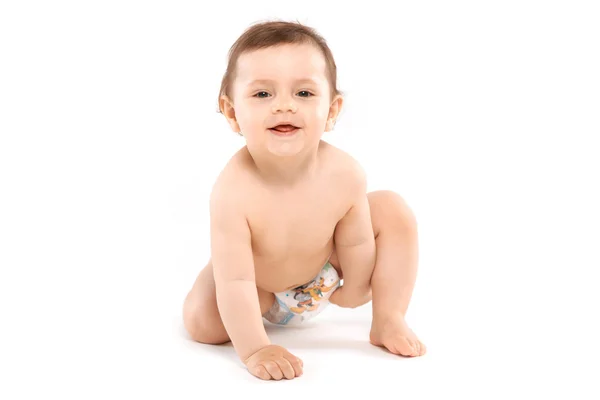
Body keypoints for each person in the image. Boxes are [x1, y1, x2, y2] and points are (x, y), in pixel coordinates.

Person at [183, 19, 426, 381]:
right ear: (232, 112)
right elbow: (235, 281)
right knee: (201, 323)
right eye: (263, 94)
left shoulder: (345, 172)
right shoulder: (233, 192)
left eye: (304, 93)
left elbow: (356, 238)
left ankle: (389, 319)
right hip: (258, 289)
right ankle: (239, 307)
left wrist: (357, 287)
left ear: (331, 110)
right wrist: (254, 348)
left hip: (325, 274)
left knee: (391, 208)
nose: (284, 106)